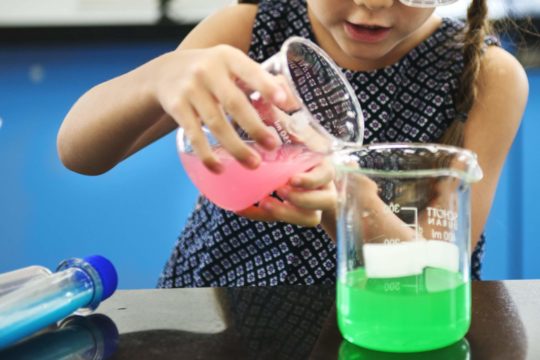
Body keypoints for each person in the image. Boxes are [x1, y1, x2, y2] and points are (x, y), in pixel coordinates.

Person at [57, 0, 528, 287]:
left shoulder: (488, 76)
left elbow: (438, 272)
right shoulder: (244, 30)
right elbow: (80, 153)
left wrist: (351, 202)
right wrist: (158, 76)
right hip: (215, 313)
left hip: (370, 333)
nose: (372, 2)